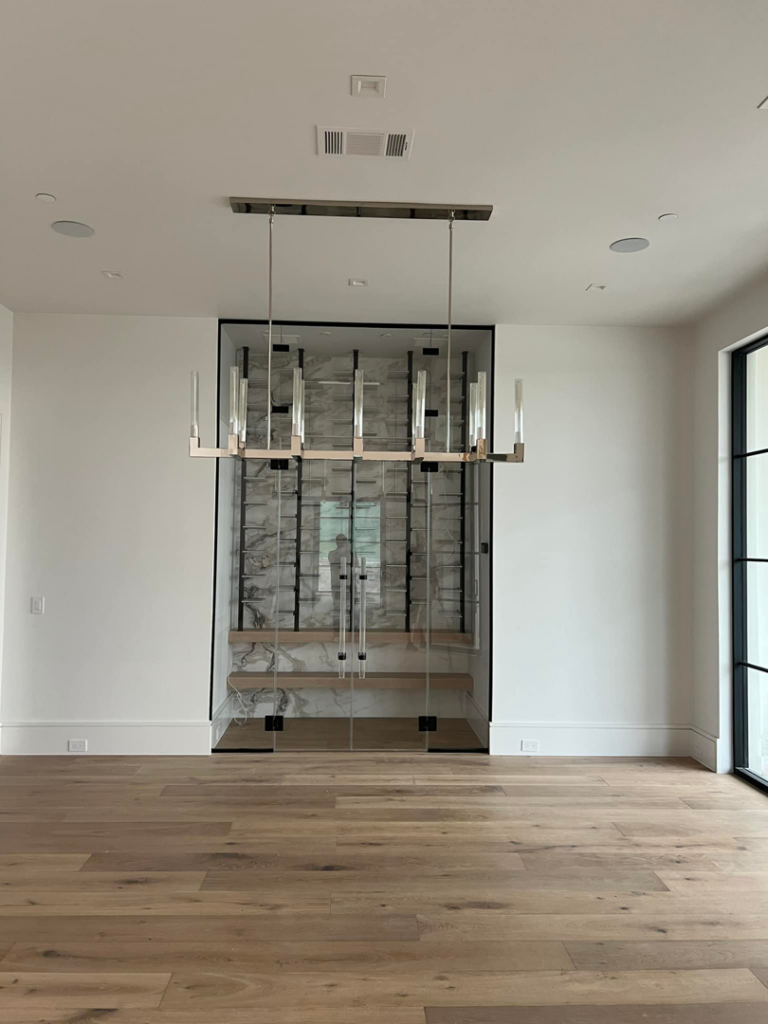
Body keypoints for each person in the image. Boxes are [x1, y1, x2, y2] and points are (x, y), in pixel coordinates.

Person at [328, 534, 351, 616]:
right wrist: (342, 551)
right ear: (336, 542)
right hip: (336, 582)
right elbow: (334, 561)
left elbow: (356, 564)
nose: (341, 543)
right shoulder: (332, 553)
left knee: (347, 604)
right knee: (337, 607)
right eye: (340, 541)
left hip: (348, 581)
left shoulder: (350, 553)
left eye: (344, 541)